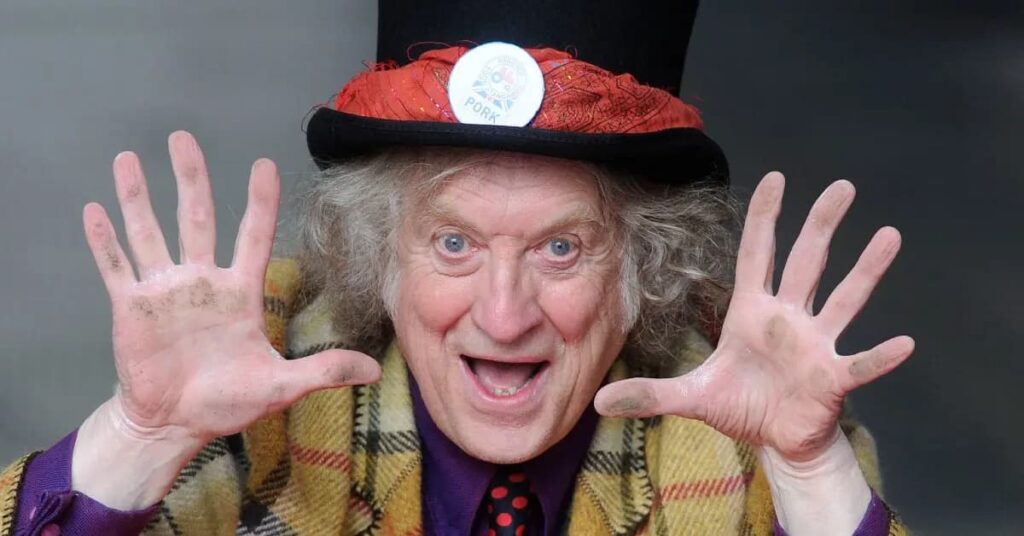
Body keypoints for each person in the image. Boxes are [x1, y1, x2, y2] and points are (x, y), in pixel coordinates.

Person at [0, 1, 913, 534]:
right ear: (379, 260)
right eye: (454, 244)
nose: (505, 316)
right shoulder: (258, 394)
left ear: (643, 272)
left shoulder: (745, 429)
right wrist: (141, 435)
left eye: (561, 248)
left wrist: (807, 472)